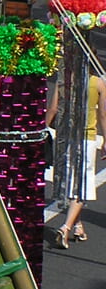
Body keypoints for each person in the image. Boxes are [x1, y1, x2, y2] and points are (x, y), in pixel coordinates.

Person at [48, 70, 106, 248]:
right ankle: (65, 228)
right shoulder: (98, 83)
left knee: (70, 179)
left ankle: (78, 226)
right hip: (86, 138)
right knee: (82, 185)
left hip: (66, 137)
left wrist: (43, 127)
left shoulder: (64, 82)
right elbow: (103, 115)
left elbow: (53, 109)